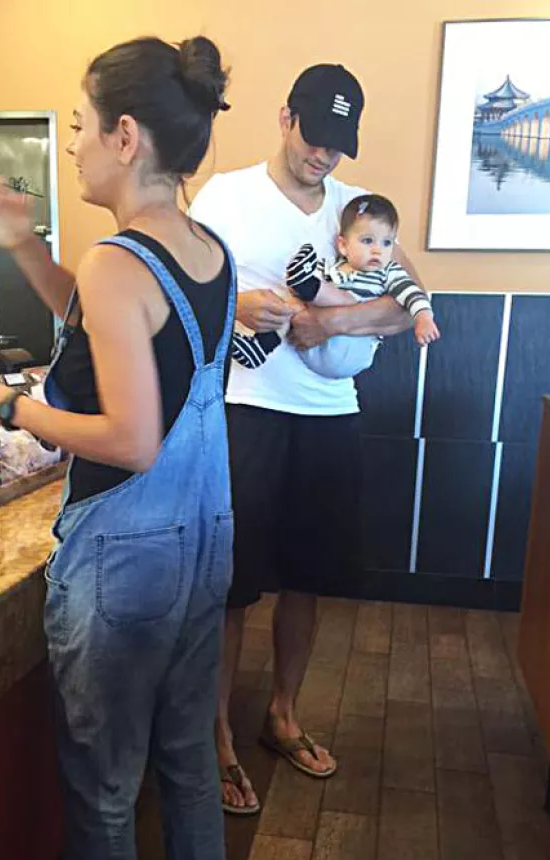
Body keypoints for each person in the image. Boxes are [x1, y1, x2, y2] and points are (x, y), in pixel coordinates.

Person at [0, 35, 235, 860]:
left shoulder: (120, 261)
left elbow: (131, 435)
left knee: (105, 788)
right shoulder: (200, 246)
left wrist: (9, 407)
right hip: (204, 534)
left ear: (125, 136)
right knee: (184, 747)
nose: (70, 144)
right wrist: (30, 249)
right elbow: (119, 332)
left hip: (125, 558)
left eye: (78, 125)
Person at [190, 63, 427, 814]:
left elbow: (410, 303)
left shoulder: (356, 212)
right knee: (231, 586)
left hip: (331, 413)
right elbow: (185, 290)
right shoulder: (226, 195)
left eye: (337, 144)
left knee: (308, 578)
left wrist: (328, 321)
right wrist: (237, 305)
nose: (323, 155)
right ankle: (217, 737)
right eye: (315, 137)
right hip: (246, 408)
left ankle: (283, 715)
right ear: (285, 117)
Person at [233, 192, 440, 372]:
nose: (378, 250)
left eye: (387, 243)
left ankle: (307, 284)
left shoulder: (389, 272)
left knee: (346, 300)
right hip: (310, 347)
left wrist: (424, 318)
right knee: (292, 305)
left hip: (352, 348)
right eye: (367, 241)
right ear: (343, 245)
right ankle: (261, 347)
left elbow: (414, 295)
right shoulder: (333, 268)